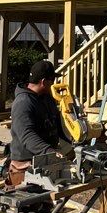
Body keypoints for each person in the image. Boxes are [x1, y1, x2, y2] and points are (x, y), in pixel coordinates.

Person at [8, 58, 69, 186]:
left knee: (47, 204)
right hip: (25, 166)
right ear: (43, 82)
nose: (53, 84)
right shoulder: (23, 103)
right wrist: (49, 151)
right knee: (29, 204)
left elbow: (57, 126)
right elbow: (27, 135)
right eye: (51, 80)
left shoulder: (47, 99)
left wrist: (75, 141)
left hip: (45, 161)